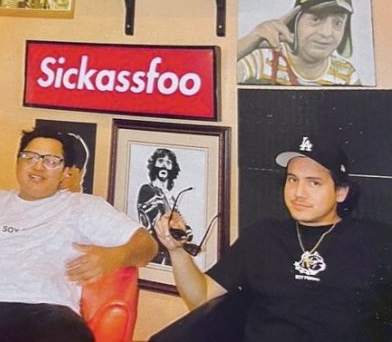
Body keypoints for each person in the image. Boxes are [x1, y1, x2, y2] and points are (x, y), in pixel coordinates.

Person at [151, 136, 392, 341]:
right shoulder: (263, 236)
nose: (298, 193)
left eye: (314, 183)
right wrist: (176, 251)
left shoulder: (377, 241)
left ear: (341, 192)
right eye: (292, 179)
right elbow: (201, 297)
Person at [0, 127, 157, 342]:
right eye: (30, 157)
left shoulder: (83, 207)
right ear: (18, 162)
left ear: (66, 172)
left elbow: (147, 246)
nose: (38, 167)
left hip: (46, 312)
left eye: (51, 161)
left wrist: (114, 256)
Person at [237, 0, 361, 86]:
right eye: (316, 19)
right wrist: (252, 39)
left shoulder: (347, 74)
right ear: (294, 24)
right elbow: (222, 80)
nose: (326, 33)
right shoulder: (260, 60)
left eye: (337, 23)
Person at [136, 148, 192, 265]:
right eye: (160, 161)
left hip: (171, 255)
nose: (164, 166)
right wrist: (180, 233)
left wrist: (185, 233)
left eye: (168, 162)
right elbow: (158, 226)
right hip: (156, 255)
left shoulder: (171, 198)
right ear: (154, 165)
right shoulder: (147, 190)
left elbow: (185, 229)